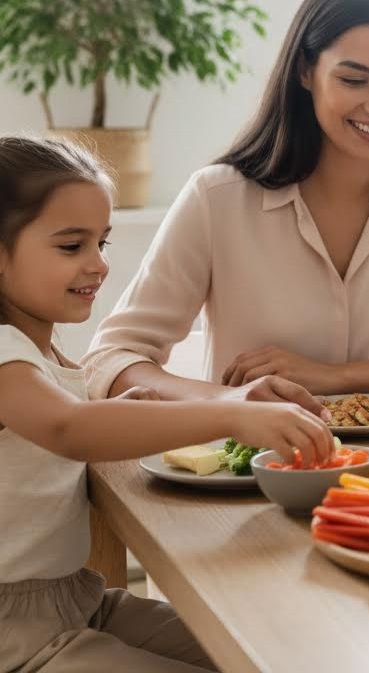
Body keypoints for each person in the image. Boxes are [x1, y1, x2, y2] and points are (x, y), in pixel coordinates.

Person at [84, 0, 369, 403]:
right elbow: (112, 358)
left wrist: (334, 377)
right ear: (305, 71)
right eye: (354, 79)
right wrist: (224, 404)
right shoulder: (216, 198)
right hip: (255, 464)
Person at [0, 135, 334, 671]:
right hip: (15, 632)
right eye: (71, 246)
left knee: (258, 653)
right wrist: (234, 413)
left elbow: (56, 430)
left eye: (101, 244)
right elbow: (68, 429)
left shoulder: (40, 346)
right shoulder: (3, 348)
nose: (100, 265)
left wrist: (129, 410)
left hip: (76, 602)